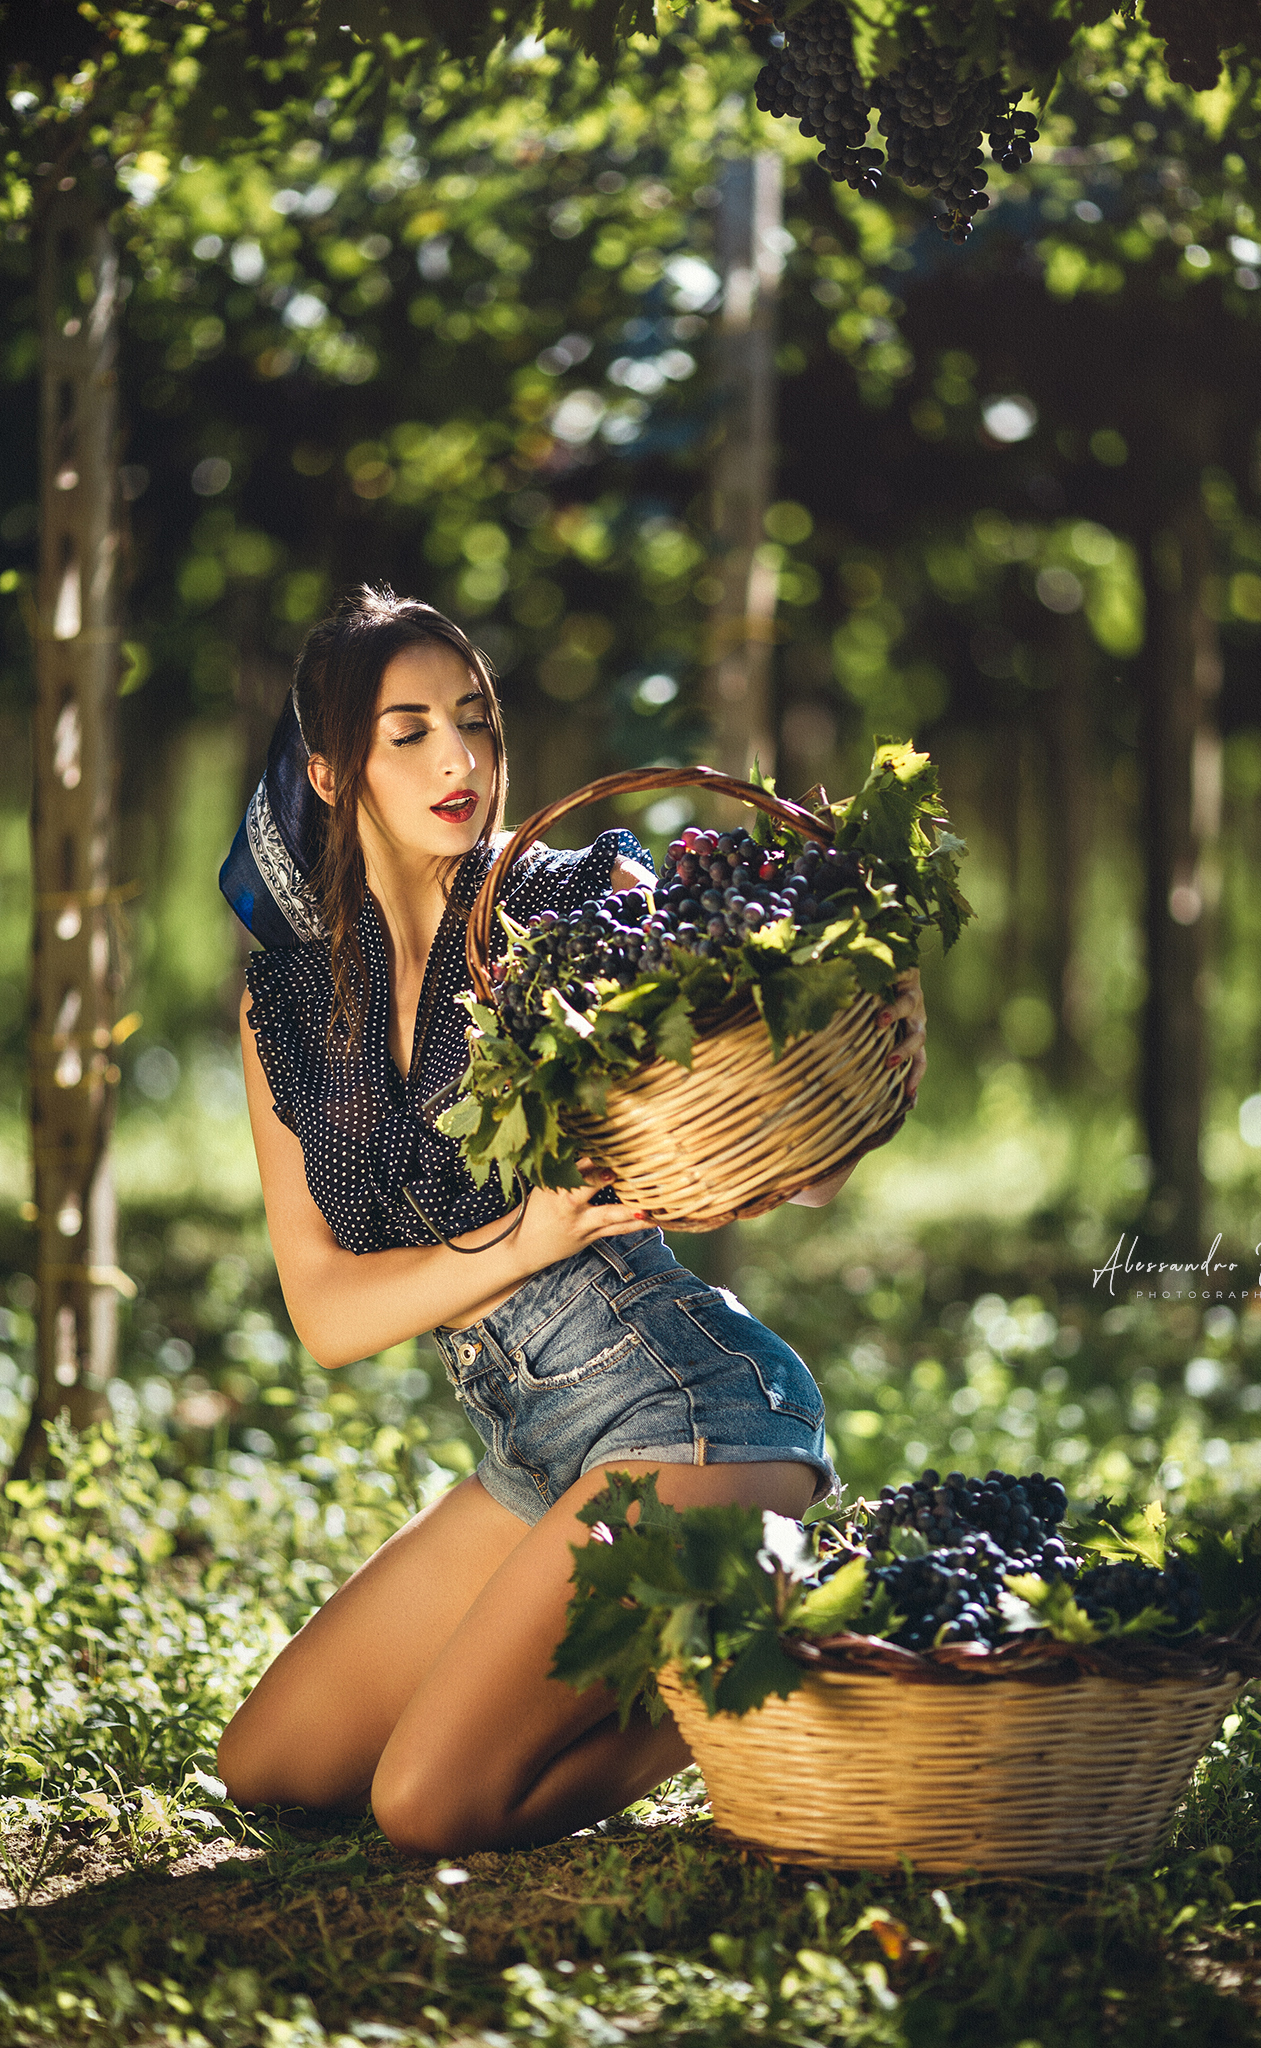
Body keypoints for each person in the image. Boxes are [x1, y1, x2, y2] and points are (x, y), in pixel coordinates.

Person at [215, 585, 927, 1856]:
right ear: (331, 770)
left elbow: (751, 1117)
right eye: (410, 729)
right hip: (532, 1442)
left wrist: (836, 1091)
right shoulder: (288, 1008)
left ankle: (785, 1629)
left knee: (427, 1804)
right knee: (268, 1764)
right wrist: (520, 1238)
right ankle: (730, 1614)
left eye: (476, 722)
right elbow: (325, 1312)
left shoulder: (569, 908)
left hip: (685, 1413)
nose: (460, 760)